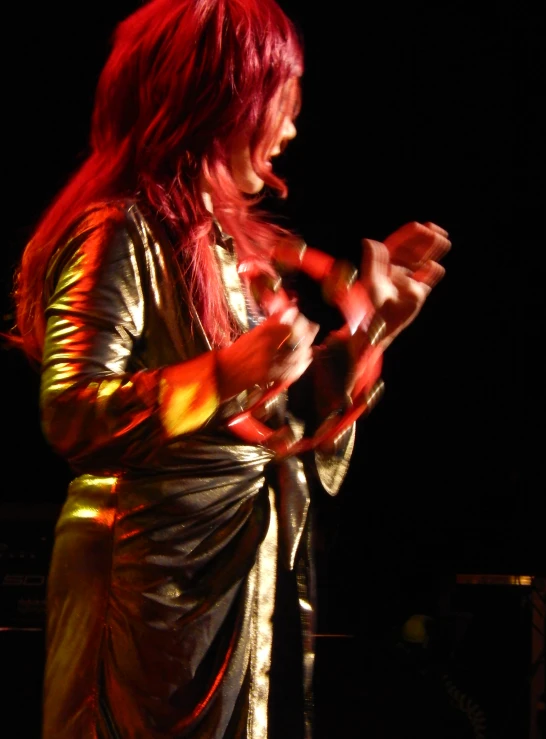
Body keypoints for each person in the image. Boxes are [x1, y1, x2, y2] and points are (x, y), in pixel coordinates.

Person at [8, 0, 451, 736]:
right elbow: (73, 412)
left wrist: (372, 334)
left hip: (227, 582)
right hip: (142, 590)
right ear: (219, 101)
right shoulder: (117, 228)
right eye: (280, 104)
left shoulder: (224, 240)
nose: (290, 129)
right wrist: (225, 370)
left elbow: (272, 424)